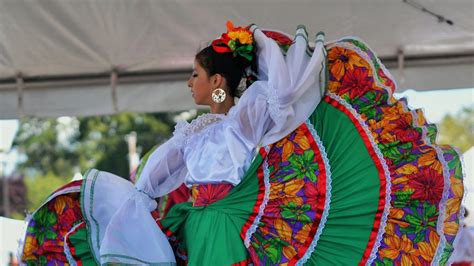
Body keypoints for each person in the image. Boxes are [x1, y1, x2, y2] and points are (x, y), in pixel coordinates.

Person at [20, 21, 465, 265]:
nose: (188, 83)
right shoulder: (192, 131)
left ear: (216, 81)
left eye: (195, 75)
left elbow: (280, 94)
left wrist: (250, 47)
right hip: (196, 221)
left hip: (228, 221)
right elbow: (153, 180)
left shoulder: (242, 120)